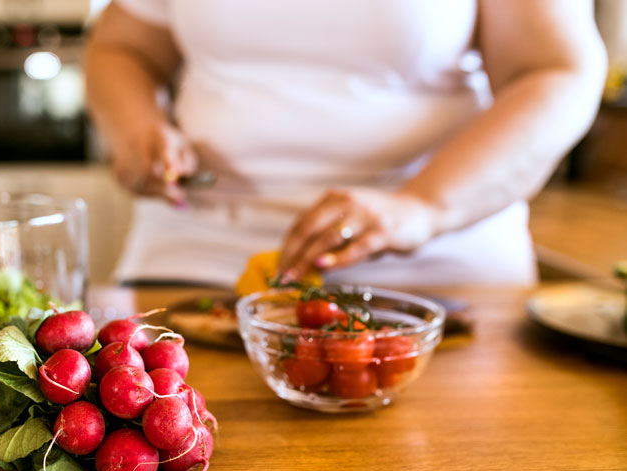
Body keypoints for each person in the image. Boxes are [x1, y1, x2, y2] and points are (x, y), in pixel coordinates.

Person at [84, 0, 606, 287]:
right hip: (191, 261)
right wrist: (134, 128)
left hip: (439, 276)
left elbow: (556, 71)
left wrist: (421, 205)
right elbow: (121, 48)